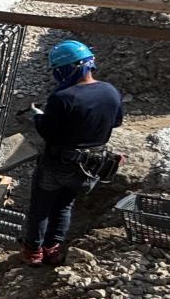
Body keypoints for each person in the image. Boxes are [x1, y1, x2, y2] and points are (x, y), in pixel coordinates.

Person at [20, 40, 123, 266]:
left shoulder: (63, 97)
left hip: (58, 163)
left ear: (68, 68)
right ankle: (52, 249)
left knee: (41, 208)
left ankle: (33, 251)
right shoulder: (110, 91)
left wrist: (38, 117)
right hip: (90, 166)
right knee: (64, 205)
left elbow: (48, 132)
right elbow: (115, 122)